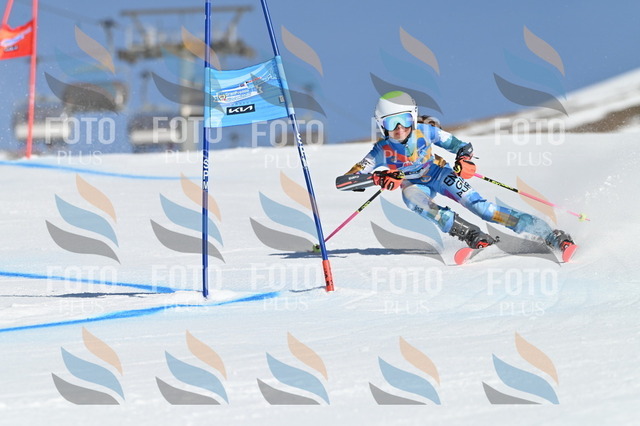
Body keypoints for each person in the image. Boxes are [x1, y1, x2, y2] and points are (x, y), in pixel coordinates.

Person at [340, 90, 575, 255]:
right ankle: (472, 235)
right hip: (413, 184)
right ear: (381, 125)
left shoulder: (425, 131)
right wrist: (376, 177)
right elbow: (344, 181)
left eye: (403, 120)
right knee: (413, 199)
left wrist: (463, 160)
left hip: (438, 174)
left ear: (413, 117)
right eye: (390, 123)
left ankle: (549, 234)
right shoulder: (381, 150)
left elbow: (461, 146)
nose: (399, 128)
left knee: (483, 209)